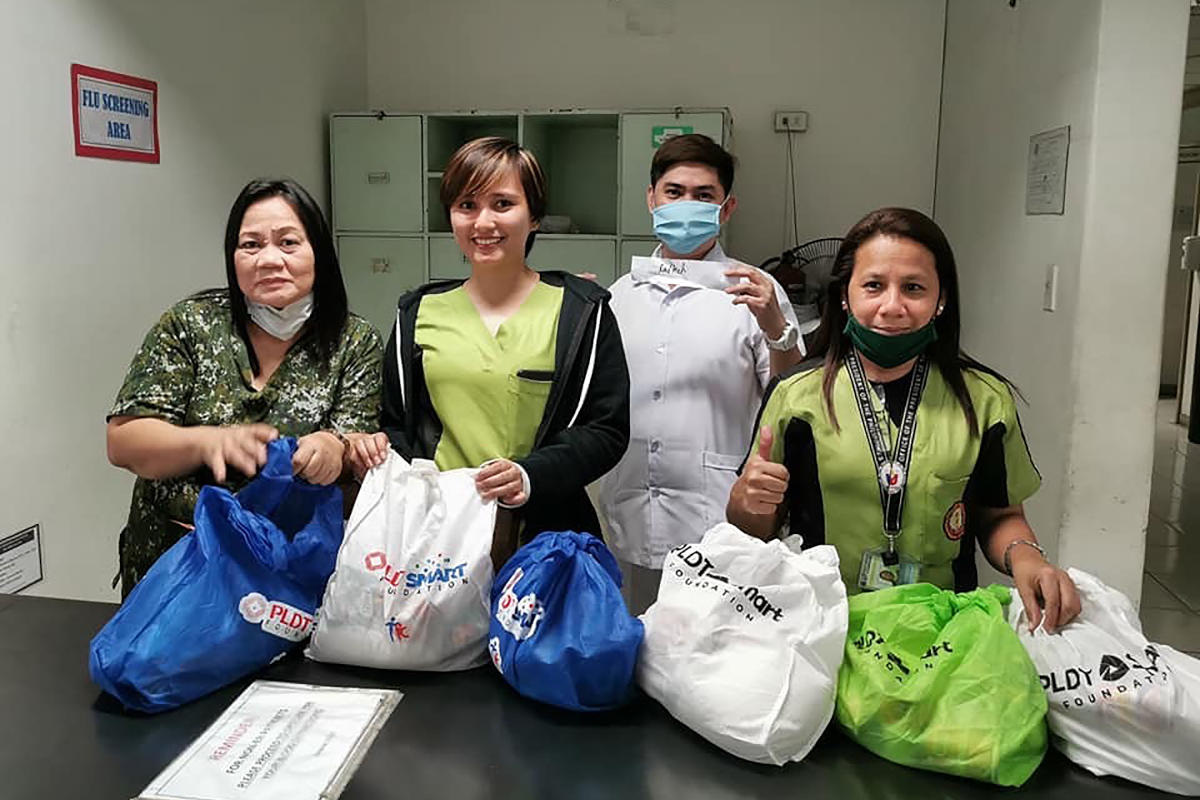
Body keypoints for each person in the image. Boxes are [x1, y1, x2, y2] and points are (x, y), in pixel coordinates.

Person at [727, 207, 1081, 632]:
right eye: (873, 286)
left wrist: (1029, 558)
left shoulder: (984, 401)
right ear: (845, 295)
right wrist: (748, 505)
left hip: (946, 630)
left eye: (913, 288)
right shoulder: (796, 396)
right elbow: (755, 528)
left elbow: (1000, 514)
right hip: (825, 627)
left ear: (941, 299)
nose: (892, 307)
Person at [106, 178, 383, 597]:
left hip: (284, 577)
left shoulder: (353, 341)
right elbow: (124, 443)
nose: (269, 259)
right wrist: (207, 443)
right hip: (174, 573)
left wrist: (334, 448)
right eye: (250, 245)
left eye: (288, 242)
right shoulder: (191, 324)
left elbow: (353, 444)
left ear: (319, 254)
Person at [356, 137, 629, 544]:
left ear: (534, 216)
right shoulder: (417, 312)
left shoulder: (581, 311)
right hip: (437, 532)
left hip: (542, 532)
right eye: (467, 205)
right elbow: (396, 425)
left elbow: (606, 429)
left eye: (502, 204)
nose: (483, 223)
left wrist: (530, 475)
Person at [591, 133, 804, 614]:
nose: (687, 204)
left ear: (725, 209)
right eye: (674, 192)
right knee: (631, 642)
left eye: (703, 195)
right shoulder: (621, 294)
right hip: (628, 504)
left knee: (703, 653)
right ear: (651, 199)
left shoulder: (756, 292)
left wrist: (776, 327)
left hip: (716, 516)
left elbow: (790, 397)